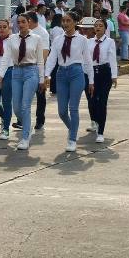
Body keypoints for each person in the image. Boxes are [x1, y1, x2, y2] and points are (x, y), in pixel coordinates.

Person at [45, 11, 94, 152]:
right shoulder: (58, 39)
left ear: (75, 22)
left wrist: (91, 80)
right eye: (64, 21)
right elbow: (52, 58)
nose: (65, 23)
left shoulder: (82, 40)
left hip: (76, 73)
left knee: (73, 108)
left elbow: (88, 61)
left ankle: (72, 139)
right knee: (61, 111)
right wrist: (46, 75)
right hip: (61, 74)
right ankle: (73, 129)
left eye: (68, 21)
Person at [0, 13, 45, 150]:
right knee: (16, 107)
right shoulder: (12, 39)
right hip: (16, 72)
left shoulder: (37, 38)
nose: (21, 24)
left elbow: (40, 60)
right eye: (18, 22)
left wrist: (42, 79)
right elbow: (6, 57)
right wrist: (1, 75)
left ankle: (25, 137)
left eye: (23, 22)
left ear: (29, 22)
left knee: (25, 105)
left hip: (31, 71)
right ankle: (27, 123)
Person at [87, 18, 118, 143]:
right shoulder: (89, 42)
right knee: (92, 101)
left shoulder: (110, 42)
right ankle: (94, 121)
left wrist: (114, 76)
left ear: (105, 28)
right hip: (91, 73)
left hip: (105, 73)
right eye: (96, 26)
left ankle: (100, 132)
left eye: (100, 25)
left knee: (102, 102)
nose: (98, 27)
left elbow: (112, 59)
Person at [26, 11, 50, 131]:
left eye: (25, 21)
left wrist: (41, 68)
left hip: (37, 67)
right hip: (26, 67)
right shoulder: (27, 32)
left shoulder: (42, 33)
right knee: (25, 95)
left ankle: (40, 120)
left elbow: (45, 52)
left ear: (30, 20)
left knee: (40, 95)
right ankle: (22, 120)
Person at [48, 13, 64, 95]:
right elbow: (57, 41)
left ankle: (54, 87)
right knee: (56, 70)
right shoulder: (57, 29)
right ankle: (55, 88)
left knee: (54, 70)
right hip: (57, 51)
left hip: (55, 50)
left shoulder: (53, 28)